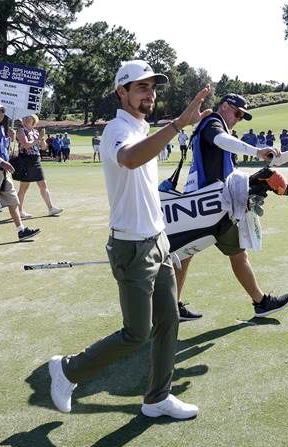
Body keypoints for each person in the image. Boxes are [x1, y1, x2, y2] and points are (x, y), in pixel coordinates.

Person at [48, 60, 210, 419]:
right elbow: (130, 159)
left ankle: (157, 399)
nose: (149, 94)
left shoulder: (142, 127)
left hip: (157, 241)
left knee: (169, 321)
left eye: (152, 87)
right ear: (121, 91)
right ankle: (67, 370)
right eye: (141, 87)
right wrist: (178, 124)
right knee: (137, 333)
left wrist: (165, 240)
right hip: (131, 247)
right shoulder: (116, 130)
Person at [177, 93, 288, 321]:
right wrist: (256, 151)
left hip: (203, 204)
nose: (238, 119)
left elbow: (227, 172)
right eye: (237, 113)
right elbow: (221, 140)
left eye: (241, 116)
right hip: (211, 206)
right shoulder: (213, 122)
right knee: (236, 255)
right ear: (224, 106)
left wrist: (255, 180)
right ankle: (261, 303)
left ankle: (171, 306)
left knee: (186, 255)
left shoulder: (217, 129)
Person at [0, 100, 41, 244]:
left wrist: (9, 138)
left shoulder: (1, 127)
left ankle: (21, 230)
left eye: (3, 111)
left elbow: (2, 147)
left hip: (3, 171)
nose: (1, 114)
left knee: (13, 201)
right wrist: (2, 162)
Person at [15, 114, 64, 219]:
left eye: (29, 119)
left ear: (34, 122)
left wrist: (41, 139)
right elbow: (25, 145)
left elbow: (43, 147)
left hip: (36, 160)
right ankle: (19, 211)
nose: (26, 120)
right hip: (26, 160)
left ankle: (51, 208)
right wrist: (38, 139)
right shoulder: (21, 130)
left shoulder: (36, 132)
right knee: (24, 187)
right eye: (25, 118)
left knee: (43, 184)